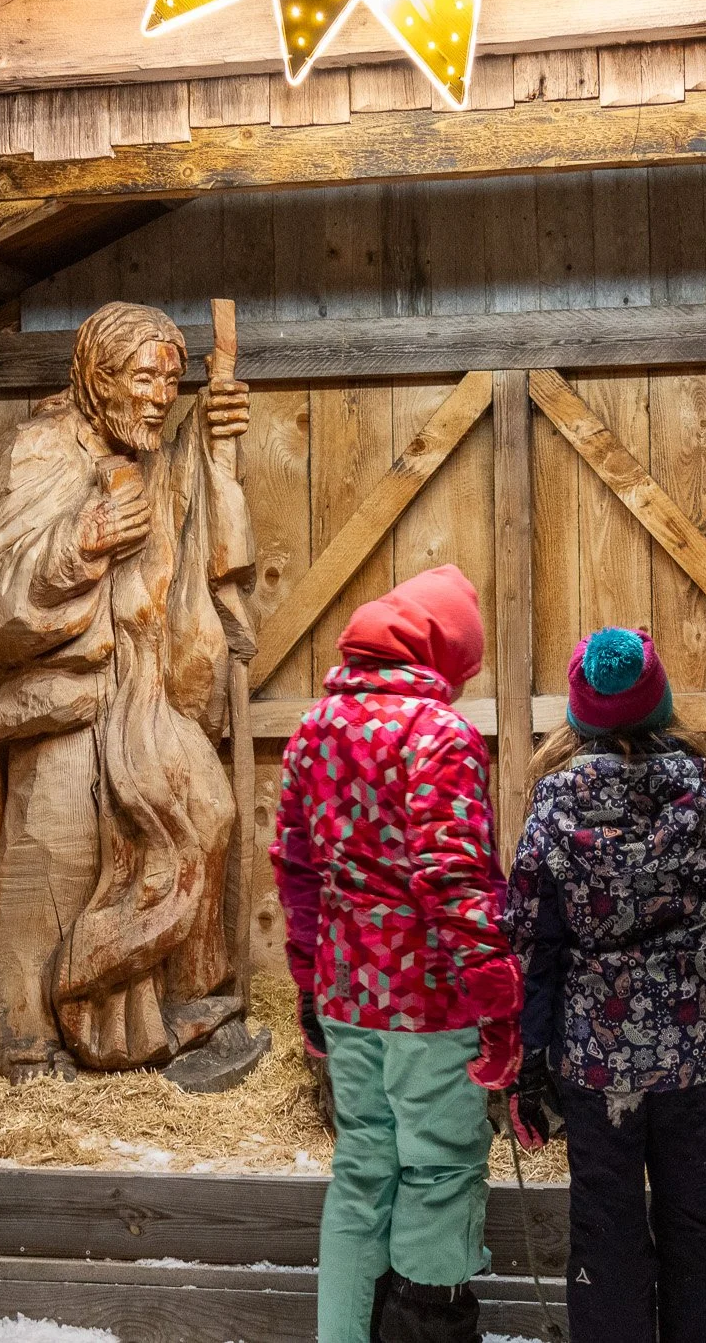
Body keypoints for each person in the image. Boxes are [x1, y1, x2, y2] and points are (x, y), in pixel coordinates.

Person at [0, 301, 253, 1081]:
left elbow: (185, 500)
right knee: (50, 855)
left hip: (146, 696)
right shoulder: (36, 450)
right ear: (97, 377)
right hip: (64, 696)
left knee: (208, 814)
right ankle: (18, 1040)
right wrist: (82, 540)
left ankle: (181, 1016)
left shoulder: (151, 448)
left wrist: (209, 434)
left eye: (172, 380)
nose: (161, 396)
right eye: (143, 378)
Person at [271, 565, 522, 1343]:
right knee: (441, 1172)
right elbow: (453, 879)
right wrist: (499, 1001)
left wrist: (311, 983)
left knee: (360, 1172)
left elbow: (298, 869)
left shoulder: (313, 727)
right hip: (432, 1000)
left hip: (348, 993)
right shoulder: (437, 736)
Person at [505, 627, 706, 1343]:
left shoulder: (552, 815)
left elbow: (530, 953)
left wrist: (526, 1072)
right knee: (698, 1224)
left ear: (578, 716)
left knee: (605, 1230)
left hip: (594, 1069)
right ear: (663, 707)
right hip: (695, 1058)